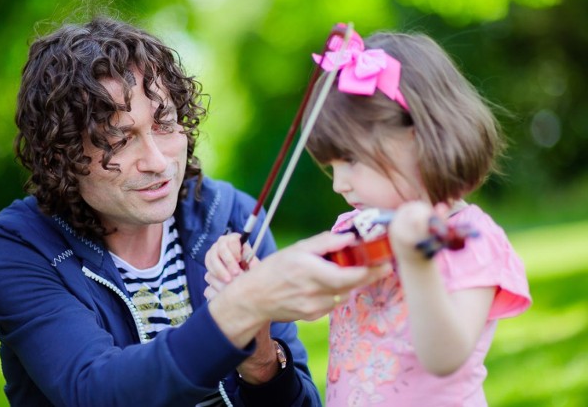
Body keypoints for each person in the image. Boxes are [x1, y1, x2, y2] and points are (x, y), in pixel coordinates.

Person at [0, 16, 379, 407]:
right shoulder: (19, 246)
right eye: (118, 139)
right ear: (61, 155)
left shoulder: (233, 215)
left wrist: (261, 363)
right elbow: (95, 391)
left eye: (164, 123)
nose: (156, 160)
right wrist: (240, 308)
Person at [205, 27, 532, 406]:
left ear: (418, 136)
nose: (338, 185)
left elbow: (446, 358)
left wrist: (418, 264)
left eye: (352, 160)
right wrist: (249, 280)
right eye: (332, 166)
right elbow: (305, 299)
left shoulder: (472, 238)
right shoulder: (355, 230)